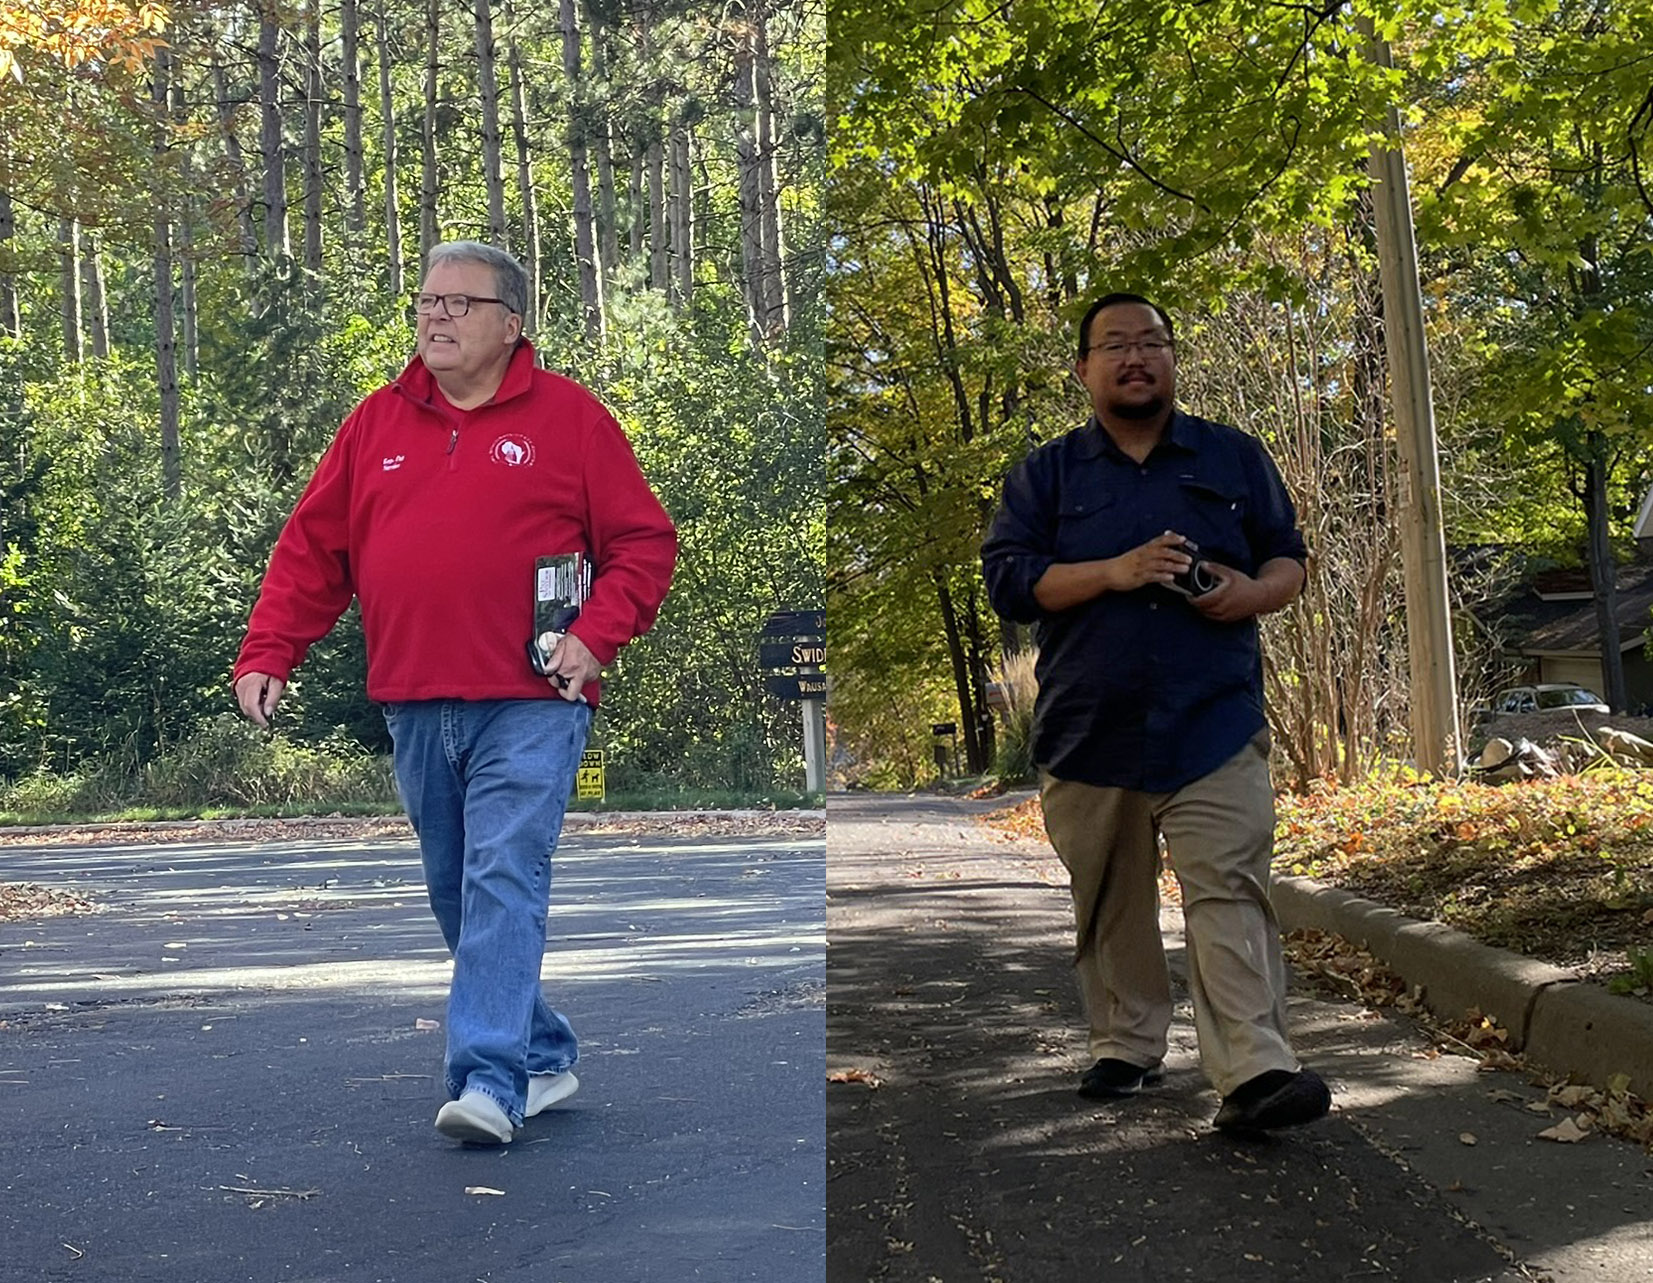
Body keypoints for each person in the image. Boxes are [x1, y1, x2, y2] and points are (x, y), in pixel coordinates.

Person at [233, 241, 676, 1145]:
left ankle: (487, 1080)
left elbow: (644, 544)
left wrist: (594, 639)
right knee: (458, 893)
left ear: (510, 324)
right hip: (413, 700)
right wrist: (271, 646)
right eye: (426, 300)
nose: (433, 317)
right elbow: (313, 550)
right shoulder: (376, 424)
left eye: (457, 303)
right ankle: (543, 1053)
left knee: (502, 872)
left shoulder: (571, 420)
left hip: (532, 697)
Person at [980, 293, 1329, 1134]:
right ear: (1083, 369)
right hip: (1088, 726)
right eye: (1114, 346)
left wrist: (1249, 590)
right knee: (1110, 898)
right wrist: (1115, 570)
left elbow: (1288, 559)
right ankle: (1127, 1043)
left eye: (1151, 343)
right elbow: (1010, 581)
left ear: (1172, 357)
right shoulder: (1047, 473)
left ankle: (1253, 1070)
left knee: (1229, 888)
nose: (1135, 358)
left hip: (1211, 720)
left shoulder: (1231, 456)